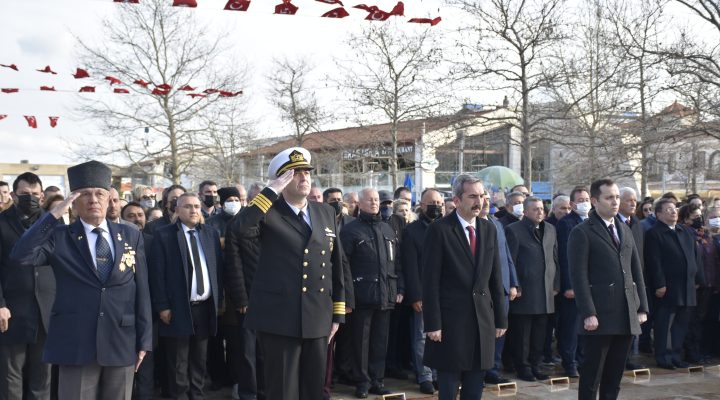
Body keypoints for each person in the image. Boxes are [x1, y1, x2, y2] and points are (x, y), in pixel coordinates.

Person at [9, 160, 152, 400]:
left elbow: (142, 288)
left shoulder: (130, 235)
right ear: (73, 201)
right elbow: (20, 255)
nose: (93, 199)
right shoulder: (59, 236)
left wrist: (144, 339)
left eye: (99, 194)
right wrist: (52, 215)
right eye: (85, 194)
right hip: (76, 342)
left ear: (110, 198)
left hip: (121, 340)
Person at [230, 147, 345, 400]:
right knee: (283, 391)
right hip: (279, 319)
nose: (304, 177)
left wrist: (337, 313)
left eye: (307, 172)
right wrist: (270, 192)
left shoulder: (325, 212)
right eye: (295, 173)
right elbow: (238, 230)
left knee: (314, 390)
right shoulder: (268, 212)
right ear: (281, 180)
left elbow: (336, 263)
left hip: (317, 315)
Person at [422, 174, 506, 400]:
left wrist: (500, 318)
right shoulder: (439, 230)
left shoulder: (488, 229)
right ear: (457, 200)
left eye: (482, 196)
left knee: (474, 389)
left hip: (482, 321)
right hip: (451, 323)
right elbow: (430, 281)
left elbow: (495, 277)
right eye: (472, 196)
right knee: (449, 388)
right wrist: (433, 323)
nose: (479, 201)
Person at [568, 178, 648, 400]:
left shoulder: (624, 229)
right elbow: (578, 276)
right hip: (600, 315)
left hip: (626, 313)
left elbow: (636, 269)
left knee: (614, 376)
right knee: (592, 375)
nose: (615, 202)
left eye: (617, 197)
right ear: (595, 201)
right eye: (609, 197)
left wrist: (642, 306)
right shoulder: (582, 232)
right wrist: (588, 312)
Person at [149, 193, 223, 399]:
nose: (194, 210)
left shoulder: (210, 234)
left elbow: (217, 268)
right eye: (188, 206)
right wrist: (162, 306)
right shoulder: (164, 235)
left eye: (197, 206)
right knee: (178, 362)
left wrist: (219, 301)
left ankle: (197, 395)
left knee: (199, 360)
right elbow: (157, 273)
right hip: (177, 308)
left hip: (204, 307)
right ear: (177, 210)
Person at [341, 188, 401, 398]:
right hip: (362, 296)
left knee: (379, 342)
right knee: (361, 342)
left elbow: (397, 262)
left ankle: (377, 380)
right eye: (370, 200)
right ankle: (362, 382)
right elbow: (343, 265)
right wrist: (347, 297)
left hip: (385, 295)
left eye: (376, 200)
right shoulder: (350, 230)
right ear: (360, 203)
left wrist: (399, 288)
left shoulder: (387, 229)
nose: (375, 203)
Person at [0, 173, 55, 400]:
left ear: (42, 197)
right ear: (13, 195)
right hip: (12, 311)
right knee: (10, 376)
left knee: (42, 377)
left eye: (34, 194)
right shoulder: (2, 222)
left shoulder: (53, 223)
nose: (30, 198)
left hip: (46, 311)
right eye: (24, 194)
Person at [505, 196, 559, 382]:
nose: (540, 212)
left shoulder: (550, 229)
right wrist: (515, 284)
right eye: (535, 209)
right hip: (525, 291)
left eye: (542, 208)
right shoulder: (514, 230)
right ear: (526, 211)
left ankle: (536, 365)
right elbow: (510, 261)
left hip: (545, 291)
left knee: (540, 334)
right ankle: (523, 367)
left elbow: (554, 257)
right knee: (522, 335)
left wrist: (556, 283)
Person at [645, 198, 703, 369]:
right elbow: (654, 261)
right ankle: (664, 357)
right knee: (665, 324)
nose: (673, 211)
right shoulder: (654, 233)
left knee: (681, 324)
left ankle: (676, 356)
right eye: (668, 209)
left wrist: (697, 279)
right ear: (658, 214)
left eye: (674, 208)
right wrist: (659, 284)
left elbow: (695, 257)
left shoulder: (684, 231)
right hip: (668, 287)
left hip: (687, 286)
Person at [401, 188, 444, 395]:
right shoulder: (412, 231)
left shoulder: (447, 227)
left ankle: (438, 373)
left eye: (439, 203)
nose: (436, 207)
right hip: (424, 293)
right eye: (432, 203)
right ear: (422, 205)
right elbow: (410, 266)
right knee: (422, 336)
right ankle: (425, 375)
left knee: (443, 335)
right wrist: (416, 295)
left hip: (446, 293)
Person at [479, 192, 518, 386]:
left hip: (502, 287)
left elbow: (507, 255)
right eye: (481, 198)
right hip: (482, 289)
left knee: (500, 329)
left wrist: (513, 283)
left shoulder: (497, 224)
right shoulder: (472, 226)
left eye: (487, 199)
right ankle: (480, 370)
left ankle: (493, 369)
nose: (485, 202)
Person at [555, 186, 591, 377]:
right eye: (581, 200)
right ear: (572, 204)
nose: (585, 203)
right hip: (573, 285)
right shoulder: (566, 223)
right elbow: (565, 256)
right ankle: (570, 362)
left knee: (587, 325)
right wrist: (569, 285)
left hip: (590, 284)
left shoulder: (592, 222)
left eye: (587, 199)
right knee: (570, 327)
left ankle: (583, 360)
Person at [616, 187, 647, 370]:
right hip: (620, 280)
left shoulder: (636, 223)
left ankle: (629, 358)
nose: (633, 203)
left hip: (636, 279)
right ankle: (620, 359)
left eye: (635, 200)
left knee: (635, 320)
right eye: (628, 200)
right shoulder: (615, 224)